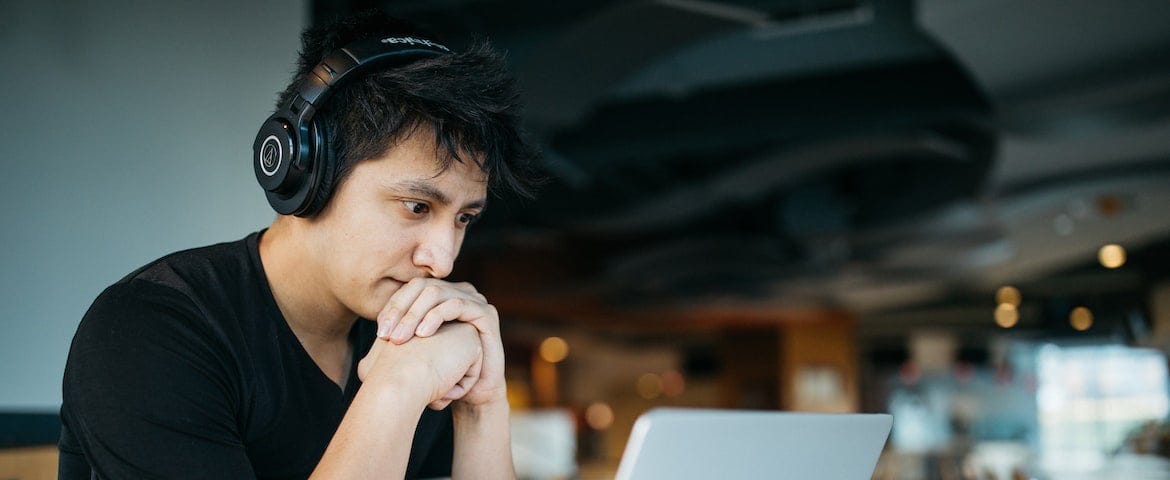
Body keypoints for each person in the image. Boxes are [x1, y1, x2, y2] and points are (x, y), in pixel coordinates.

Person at [58, 10, 539, 479]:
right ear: (309, 174)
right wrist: (395, 388)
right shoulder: (150, 330)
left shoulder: (414, 336)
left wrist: (482, 405)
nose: (442, 259)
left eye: (464, 217)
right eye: (416, 206)